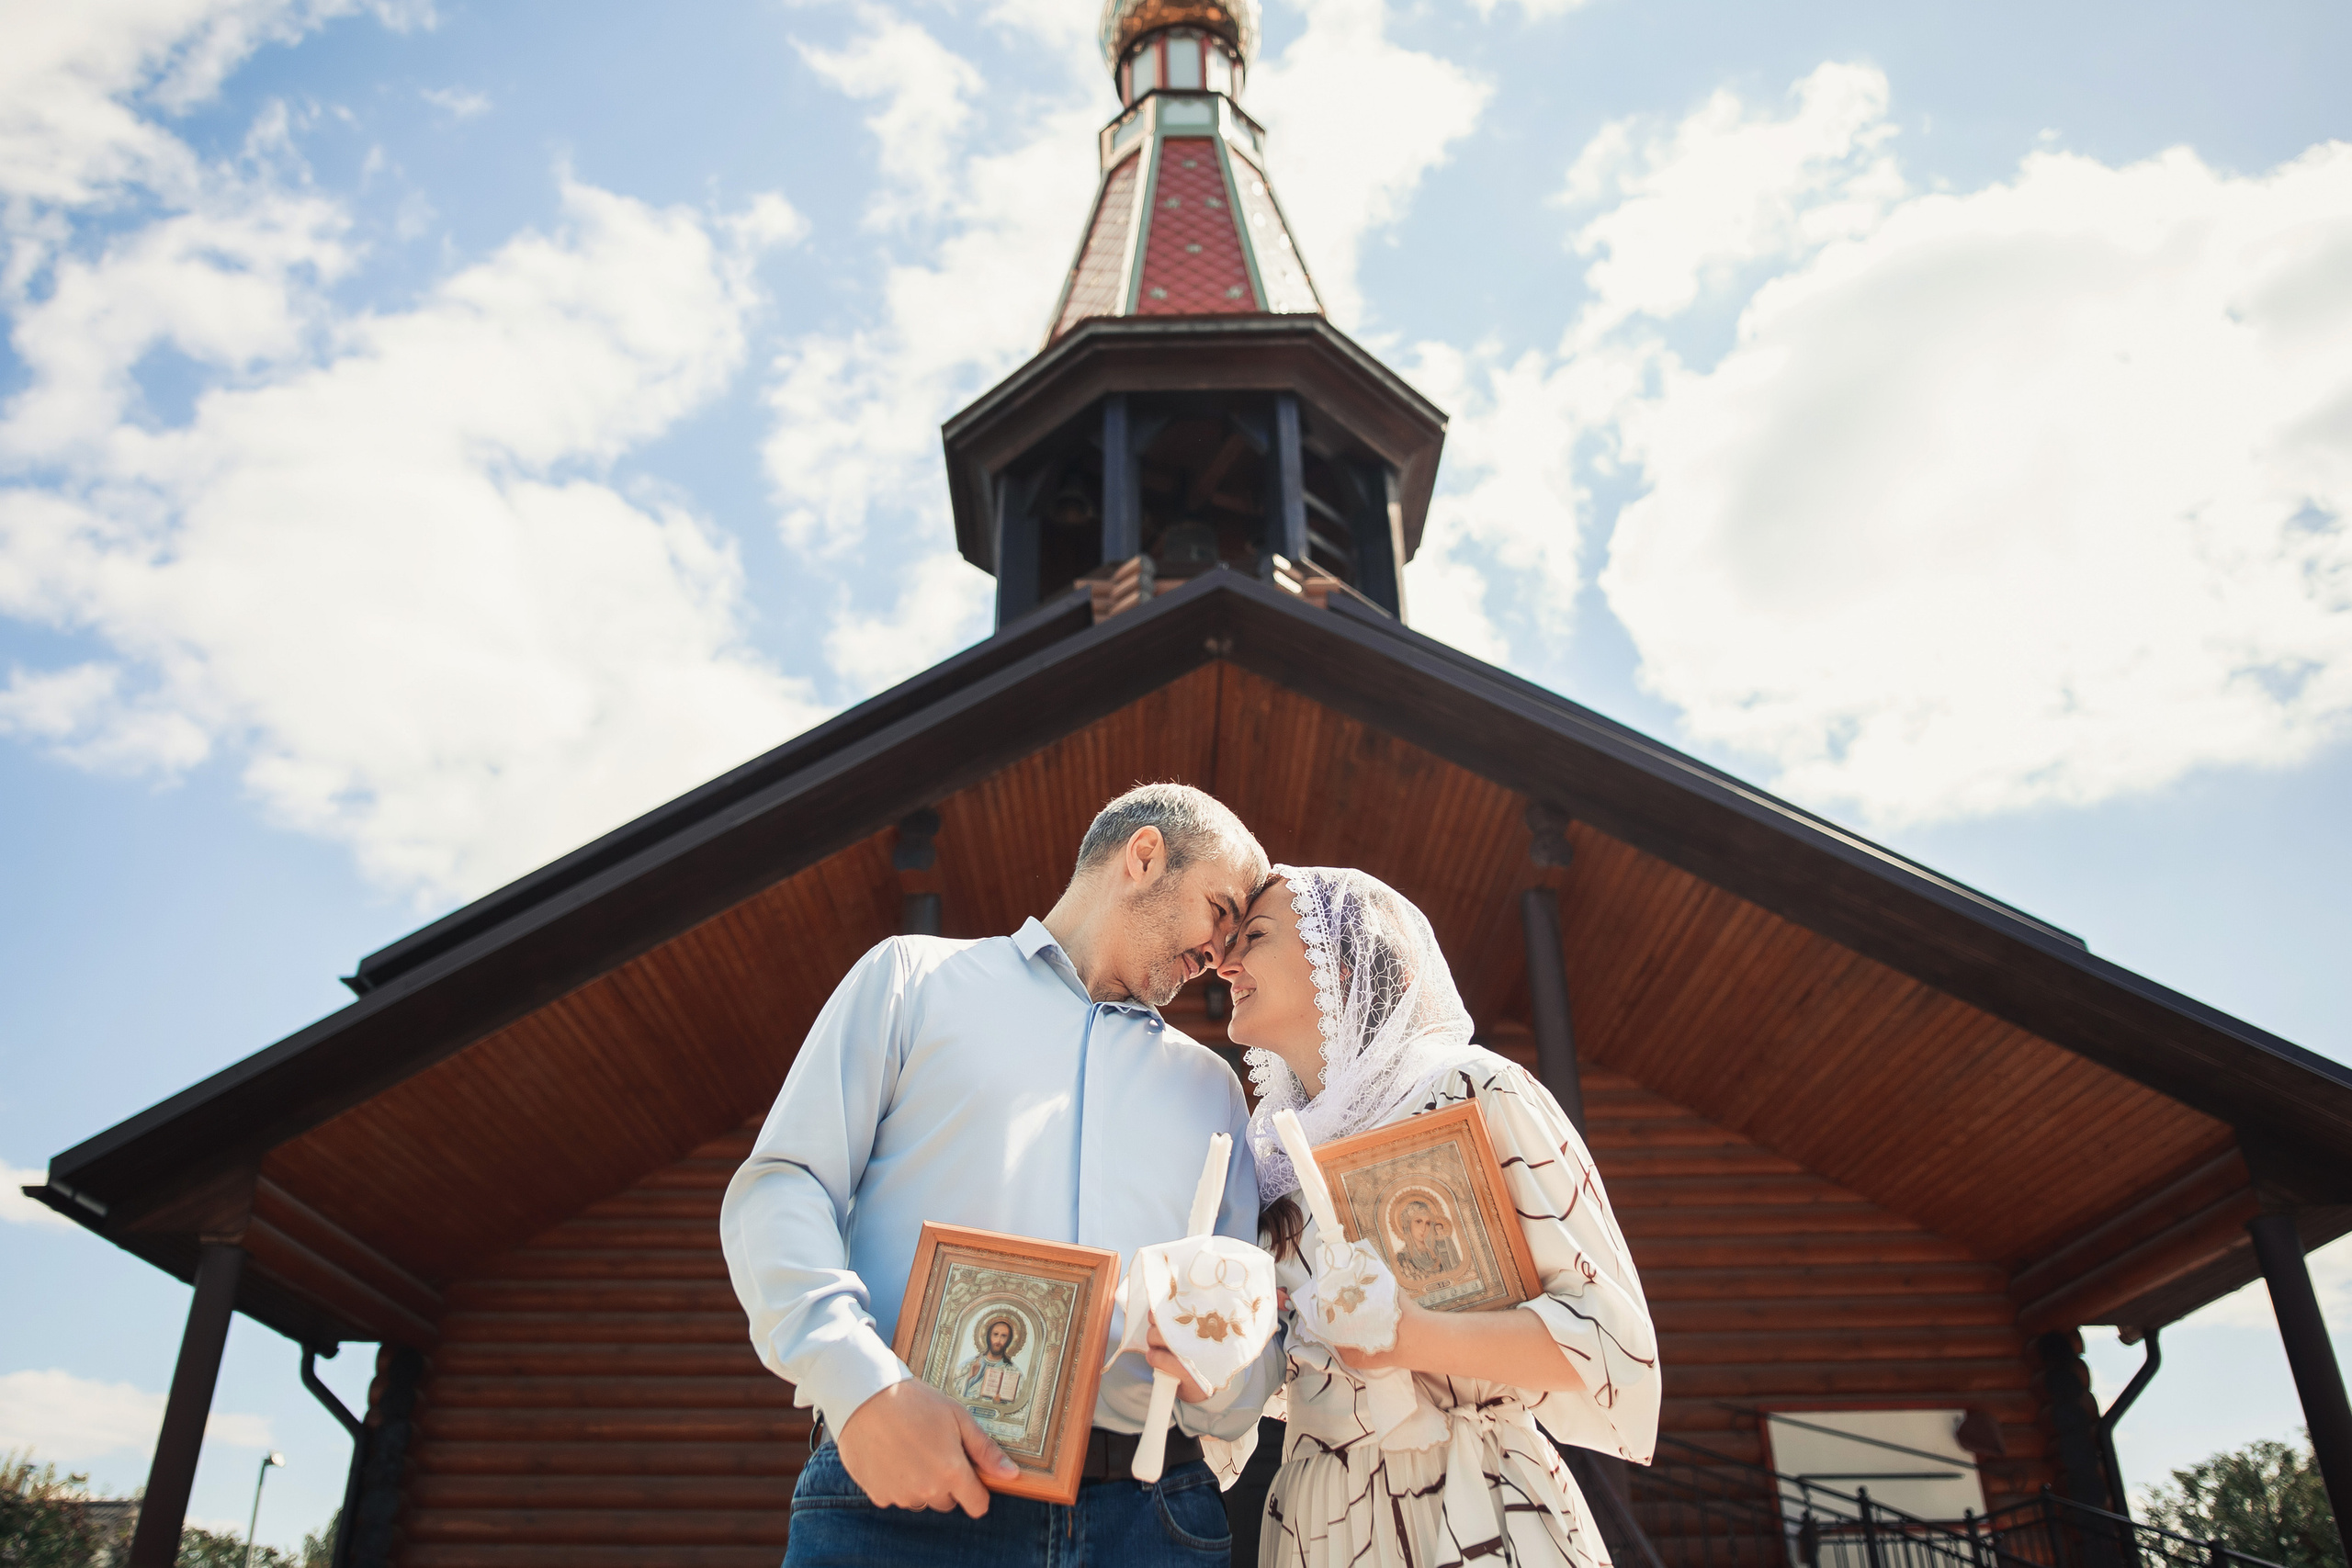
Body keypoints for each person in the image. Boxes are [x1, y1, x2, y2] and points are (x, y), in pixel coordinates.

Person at [721, 783, 1285, 1567]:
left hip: (1151, 1519)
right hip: (902, 1498)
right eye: (1220, 910)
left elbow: (1247, 1341)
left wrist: (1219, 1373)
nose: (1222, 955)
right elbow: (783, 1184)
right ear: (1145, 855)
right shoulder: (910, 979)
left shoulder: (1215, 1089)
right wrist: (858, 1384)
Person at [1219, 866, 1659, 1568]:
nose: (1224, 959)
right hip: (1318, 1524)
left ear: (1339, 960)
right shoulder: (1265, 1163)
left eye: (1255, 935)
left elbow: (1611, 1339)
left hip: (1472, 1498)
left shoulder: (1473, 1090)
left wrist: (1411, 1337)